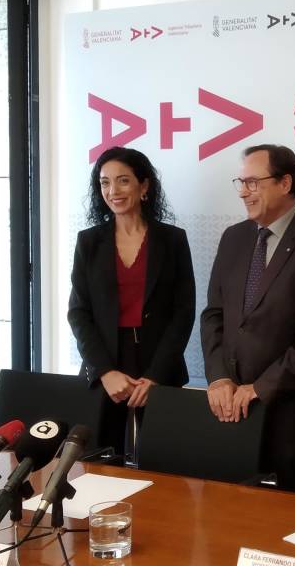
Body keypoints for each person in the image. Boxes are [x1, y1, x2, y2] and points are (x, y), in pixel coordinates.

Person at [200, 144, 295, 491]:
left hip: (290, 410)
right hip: (231, 404)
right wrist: (219, 377)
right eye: (241, 182)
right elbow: (214, 314)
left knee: (282, 513)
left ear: (284, 183)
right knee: (229, 506)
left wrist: (261, 388)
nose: (243, 192)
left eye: (252, 182)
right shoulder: (233, 238)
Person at [68, 146, 195, 458]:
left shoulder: (173, 240)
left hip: (158, 362)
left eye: (123, 181)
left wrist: (156, 375)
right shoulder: (89, 242)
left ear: (144, 186)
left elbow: (183, 313)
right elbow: (78, 313)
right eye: (104, 182)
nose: (113, 191)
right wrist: (104, 371)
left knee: (163, 464)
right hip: (106, 362)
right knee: (100, 462)